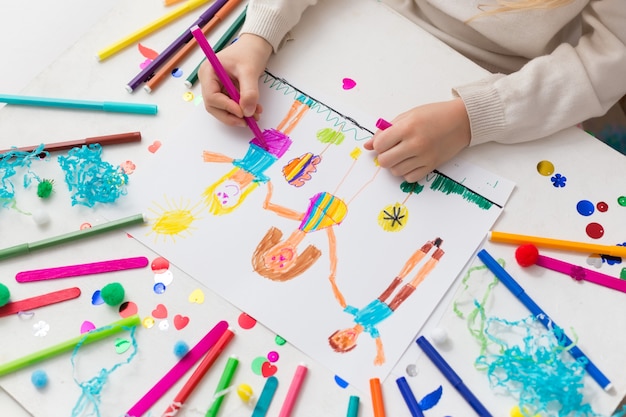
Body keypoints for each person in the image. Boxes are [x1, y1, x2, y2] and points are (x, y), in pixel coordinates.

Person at [198, 0, 626, 183]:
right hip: (375, 24)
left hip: (512, 80)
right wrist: (259, 32)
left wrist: (472, 118)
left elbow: (610, 57)